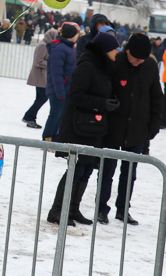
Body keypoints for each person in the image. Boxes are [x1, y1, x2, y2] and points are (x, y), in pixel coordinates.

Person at [47, 32, 120, 226]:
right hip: (78, 128)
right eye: (114, 48)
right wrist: (103, 103)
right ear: (104, 50)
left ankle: (72, 209)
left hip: (92, 129)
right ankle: (57, 211)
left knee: (87, 169)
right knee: (76, 170)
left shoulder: (103, 68)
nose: (117, 52)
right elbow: (76, 96)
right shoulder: (87, 67)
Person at [98, 33, 163, 226]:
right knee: (107, 171)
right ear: (127, 51)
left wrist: (153, 126)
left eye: (141, 59)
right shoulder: (116, 62)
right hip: (113, 128)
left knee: (129, 174)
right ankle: (101, 208)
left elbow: (156, 98)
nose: (137, 62)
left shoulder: (150, 66)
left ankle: (123, 210)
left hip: (137, 130)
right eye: (135, 58)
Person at [42, 22, 80, 142]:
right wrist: (60, 92)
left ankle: (55, 138)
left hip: (65, 89)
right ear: (71, 35)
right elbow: (56, 73)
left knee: (61, 116)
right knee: (55, 115)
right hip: (58, 90)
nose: (78, 36)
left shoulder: (69, 48)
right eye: (76, 33)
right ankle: (48, 137)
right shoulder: (59, 49)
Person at [22, 30, 59, 128]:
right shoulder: (43, 45)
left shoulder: (48, 45)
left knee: (40, 98)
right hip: (40, 77)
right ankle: (29, 116)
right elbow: (38, 61)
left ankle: (30, 117)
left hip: (43, 76)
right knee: (43, 98)